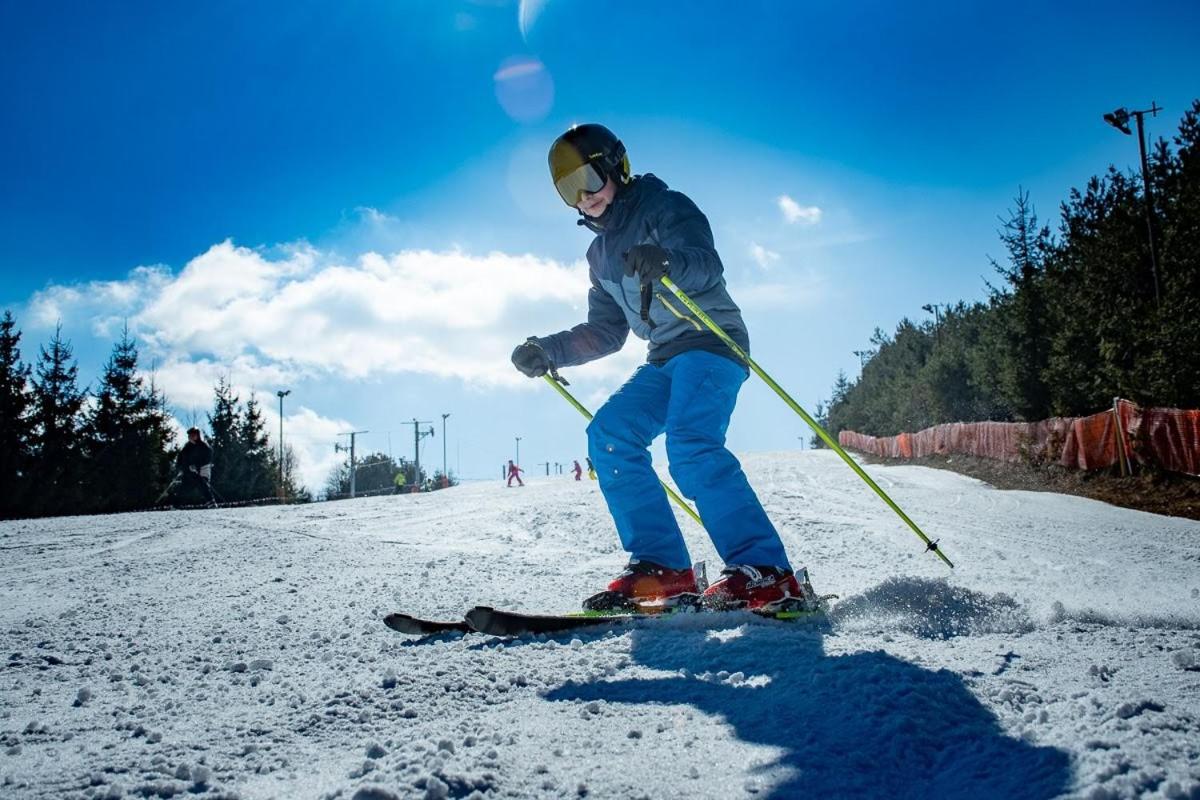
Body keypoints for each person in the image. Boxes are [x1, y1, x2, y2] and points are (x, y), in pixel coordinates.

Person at [511, 123, 803, 613]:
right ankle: (663, 569)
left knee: (689, 444)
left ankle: (767, 573)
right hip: (664, 357)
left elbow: (705, 263)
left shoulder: (665, 206)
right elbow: (606, 331)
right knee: (610, 433)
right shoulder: (599, 254)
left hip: (711, 341)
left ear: (614, 166)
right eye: (567, 191)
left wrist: (666, 261)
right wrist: (550, 351)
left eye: (587, 179)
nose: (583, 198)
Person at [167, 427, 217, 507]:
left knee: (202, 484)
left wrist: (197, 466)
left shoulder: (204, 446)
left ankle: (211, 502)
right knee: (184, 487)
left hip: (203, 469)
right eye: (190, 435)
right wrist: (180, 467)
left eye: (193, 435)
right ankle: (176, 505)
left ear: (197, 435)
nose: (191, 437)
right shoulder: (187, 447)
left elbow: (208, 458)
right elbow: (181, 458)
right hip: (189, 471)